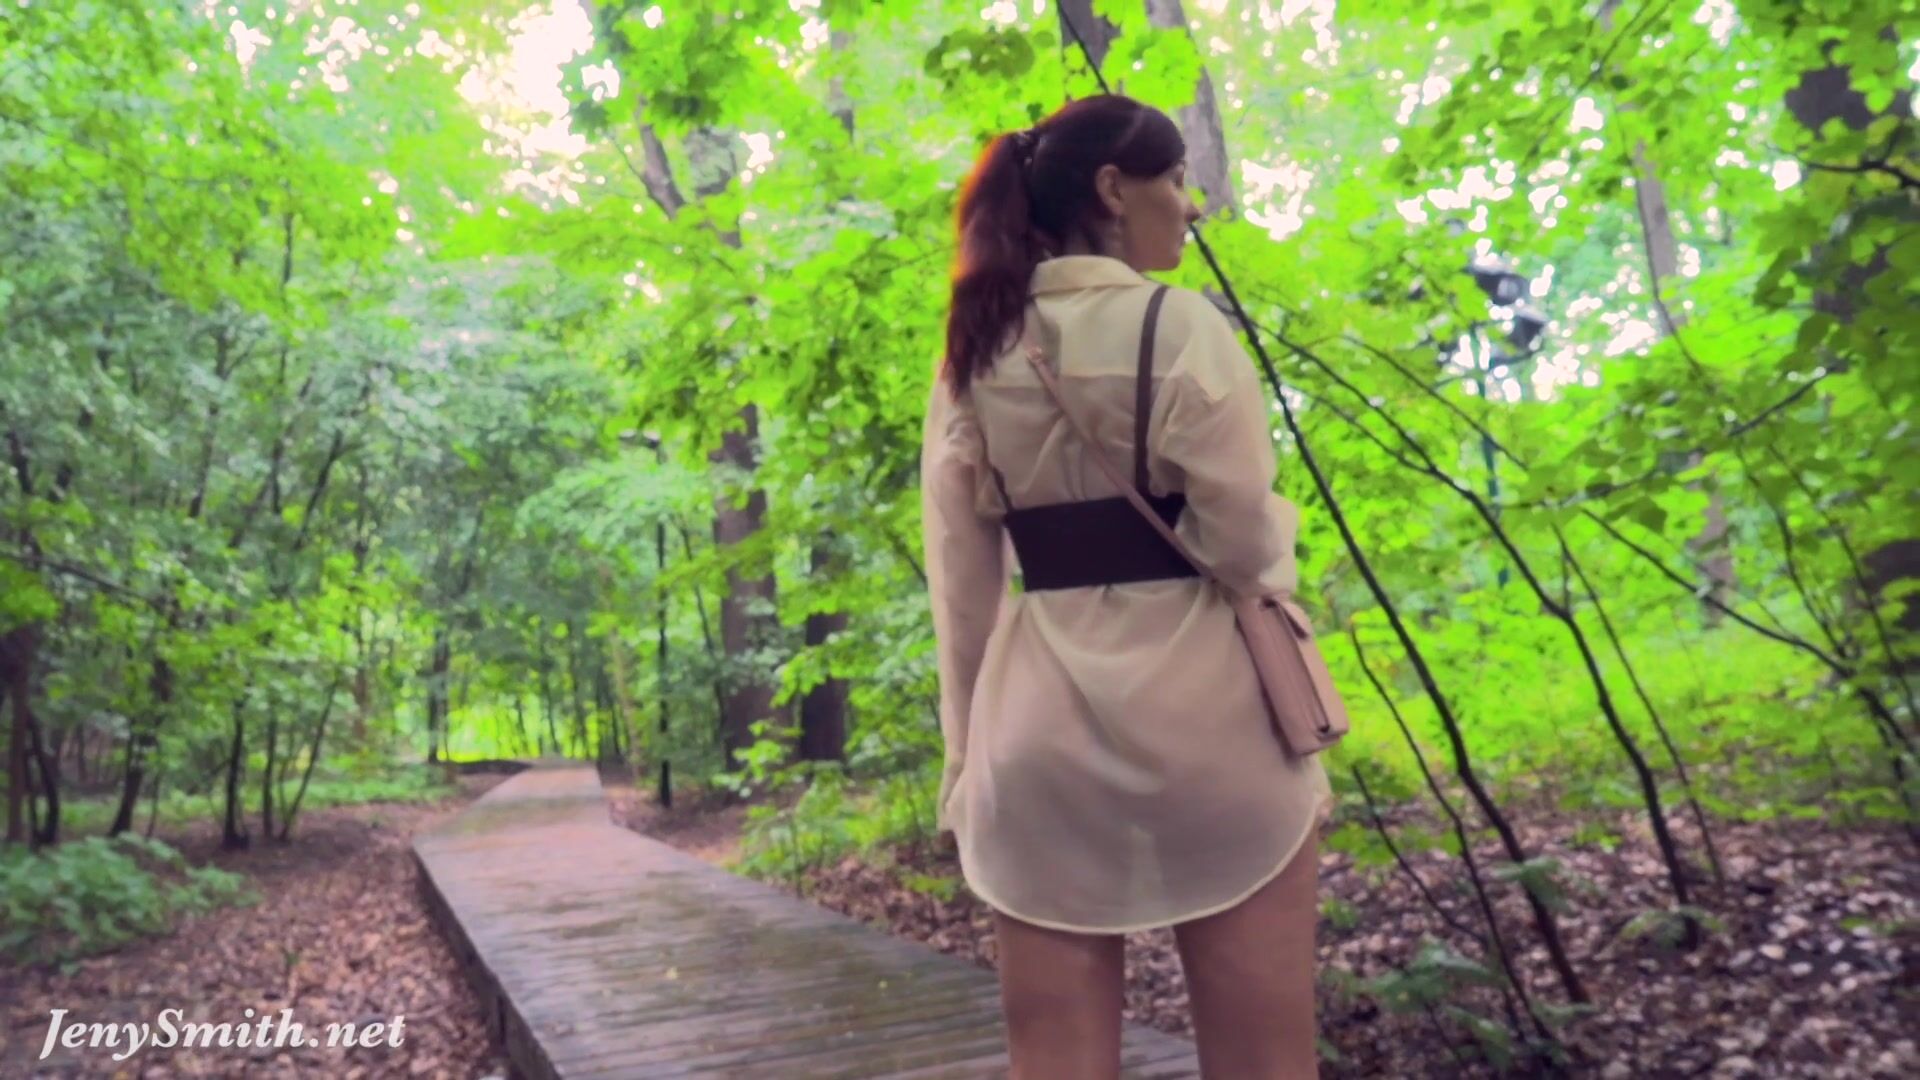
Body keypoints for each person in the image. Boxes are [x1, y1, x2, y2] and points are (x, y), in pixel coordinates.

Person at [920, 93, 1335, 1079]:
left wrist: (964, 756)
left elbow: (962, 583)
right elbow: (1244, 550)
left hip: (1040, 732)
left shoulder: (978, 347)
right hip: (1215, 724)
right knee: (1266, 1060)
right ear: (1114, 190)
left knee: (1055, 1061)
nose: (1191, 205)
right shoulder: (1182, 327)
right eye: (1177, 180)